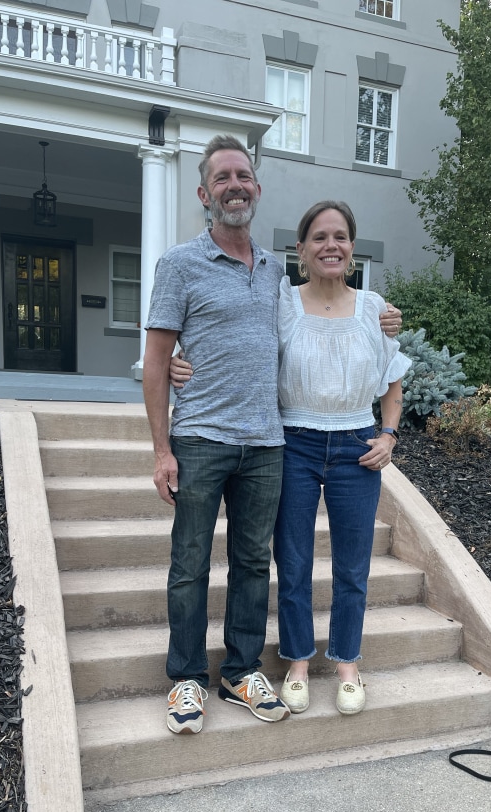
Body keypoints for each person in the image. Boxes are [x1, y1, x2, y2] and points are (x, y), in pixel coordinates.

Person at [144, 137, 402, 736]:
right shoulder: (179, 264)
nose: (235, 185)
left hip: (266, 443)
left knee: (254, 563)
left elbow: (352, 335)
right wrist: (162, 448)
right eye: (223, 178)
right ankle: (186, 676)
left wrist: (388, 320)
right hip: (202, 438)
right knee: (189, 561)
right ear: (205, 194)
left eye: (244, 176)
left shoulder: (271, 274)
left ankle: (238, 669)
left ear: (256, 191)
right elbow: (158, 361)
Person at [272, 200, 410, 716]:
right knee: (294, 561)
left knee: (353, 567)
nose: (331, 245)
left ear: (351, 249)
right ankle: (300, 662)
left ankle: (348, 661)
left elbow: (393, 380)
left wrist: (389, 435)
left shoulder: (375, 307)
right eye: (319, 237)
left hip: (356, 447)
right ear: (302, 249)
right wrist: (184, 363)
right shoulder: (282, 304)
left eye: (341, 237)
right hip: (294, 444)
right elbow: (238, 343)